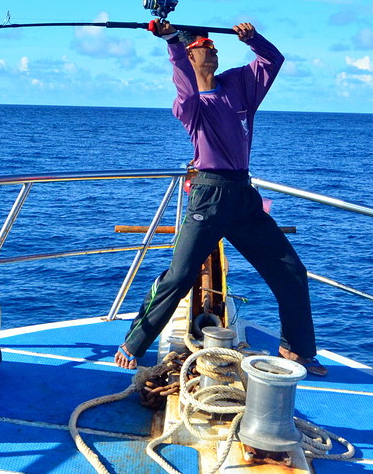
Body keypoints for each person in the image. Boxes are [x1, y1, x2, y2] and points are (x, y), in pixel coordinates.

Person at [113, 20, 325, 376]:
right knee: (178, 278)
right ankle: (133, 343)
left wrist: (253, 38)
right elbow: (181, 78)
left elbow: (274, 61)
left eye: (213, 45)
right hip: (208, 195)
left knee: (291, 272)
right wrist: (170, 41)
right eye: (201, 45)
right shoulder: (189, 105)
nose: (210, 47)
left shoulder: (239, 84)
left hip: (243, 194)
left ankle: (297, 348)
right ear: (189, 54)